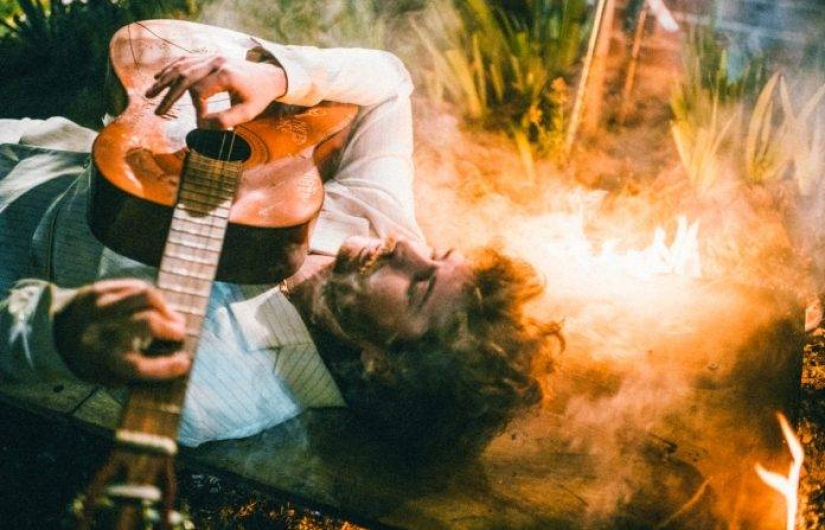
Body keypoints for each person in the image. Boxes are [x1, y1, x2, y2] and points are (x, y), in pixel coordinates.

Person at [0, 36, 558, 459]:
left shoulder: (220, 388)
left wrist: (55, 331)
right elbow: (391, 82)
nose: (408, 249)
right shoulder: (381, 224)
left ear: (382, 364)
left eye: (419, 286)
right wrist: (279, 77)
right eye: (438, 254)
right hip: (30, 142)